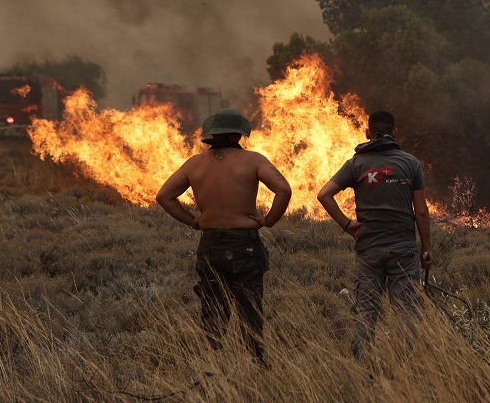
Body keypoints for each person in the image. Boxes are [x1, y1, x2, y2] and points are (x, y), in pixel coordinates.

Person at [156, 108, 291, 366]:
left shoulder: (194, 164)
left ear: (210, 136)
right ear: (239, 135)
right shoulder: (253, 160)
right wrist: (269, 220)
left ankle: (211, 368)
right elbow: (283, 189)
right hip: (244, 246)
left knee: (213, 310)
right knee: (250, 311)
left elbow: (164, 196)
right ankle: (258, 366)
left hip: (210, 246)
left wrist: (193, 220)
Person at [317, 110, 433, 360]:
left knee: (366, 310)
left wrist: (347, 225)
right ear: (395, 133)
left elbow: (324, 195)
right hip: (403, 249)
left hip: (368, 250)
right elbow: (421, 212)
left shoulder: (356, 164)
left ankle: (362, 366)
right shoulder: (411, 163)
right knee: (406, 310)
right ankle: (406, 366)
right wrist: (426, 249)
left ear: (368, 133)